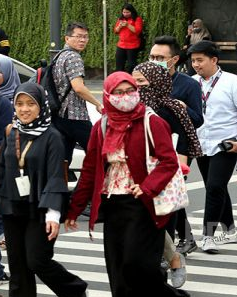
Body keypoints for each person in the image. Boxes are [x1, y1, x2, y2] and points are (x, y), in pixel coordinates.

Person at [65, 71, 188, 296]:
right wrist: (74, 208)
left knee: (138, 266)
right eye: (118, 93)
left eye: (130, 91)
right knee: (118, 269)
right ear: (108, 95)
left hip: (143, 204)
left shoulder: (152, 122)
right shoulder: (102, 126)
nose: (125, 97)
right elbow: (90, 170)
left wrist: (148, 186)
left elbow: (169, 161)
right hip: (113, 205)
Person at [0, 82, 88, 297]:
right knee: (18, 265)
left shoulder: (52, 137)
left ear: (41, 106)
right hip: (12, 205)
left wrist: (53, 213)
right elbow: (1, 168)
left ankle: (75, 290)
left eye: (30, 104)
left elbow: (56, 176)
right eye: (19, 104)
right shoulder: (13, 132)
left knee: (37, 260)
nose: (24, 109)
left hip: (40, 208)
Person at [188, 40, 237, 253]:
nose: (196, 64)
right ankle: (230, 231)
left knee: (215, 187)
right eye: (193, 60)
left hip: (226, 144)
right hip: (200, 143)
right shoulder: (191, 83)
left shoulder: (233, 82)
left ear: (214, 60)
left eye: (200, 60)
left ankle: (208, 236)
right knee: (216, 187)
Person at [149, 35, 203, 255]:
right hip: (150, 145)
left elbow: (198, 119)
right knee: (163, 194)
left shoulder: (188, 84)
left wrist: (181, 107)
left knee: (170, 191)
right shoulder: (144, 80)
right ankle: (182, 237)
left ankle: (172, 242)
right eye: (152, 56)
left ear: (174, 59)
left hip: (177, 146)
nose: (155, 61)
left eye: (160, 57)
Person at [52, 21, 103, 165]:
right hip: (75, 114)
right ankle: (95, 185)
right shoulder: (74, 57)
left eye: (85, 37)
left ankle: (59, 185)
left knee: (64, 159)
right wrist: (98, 104)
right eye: (78, 36)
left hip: (60, 115)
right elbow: (78, 88)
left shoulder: (59, 56)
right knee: (98, 153)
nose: (82, 40)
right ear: (67, 38)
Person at [114, 3, 143, 73]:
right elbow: (115, 31)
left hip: (132, 45)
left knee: (131, 65)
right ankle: (120, 79)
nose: (125, 14)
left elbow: (137, 31)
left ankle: (129, 79)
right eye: (124, 12)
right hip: (121, 45)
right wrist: (120, 26)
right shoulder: (120, 19)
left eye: (127, 12)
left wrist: (127, 25)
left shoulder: (137, 19)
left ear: (132, 11)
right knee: (119, 64)